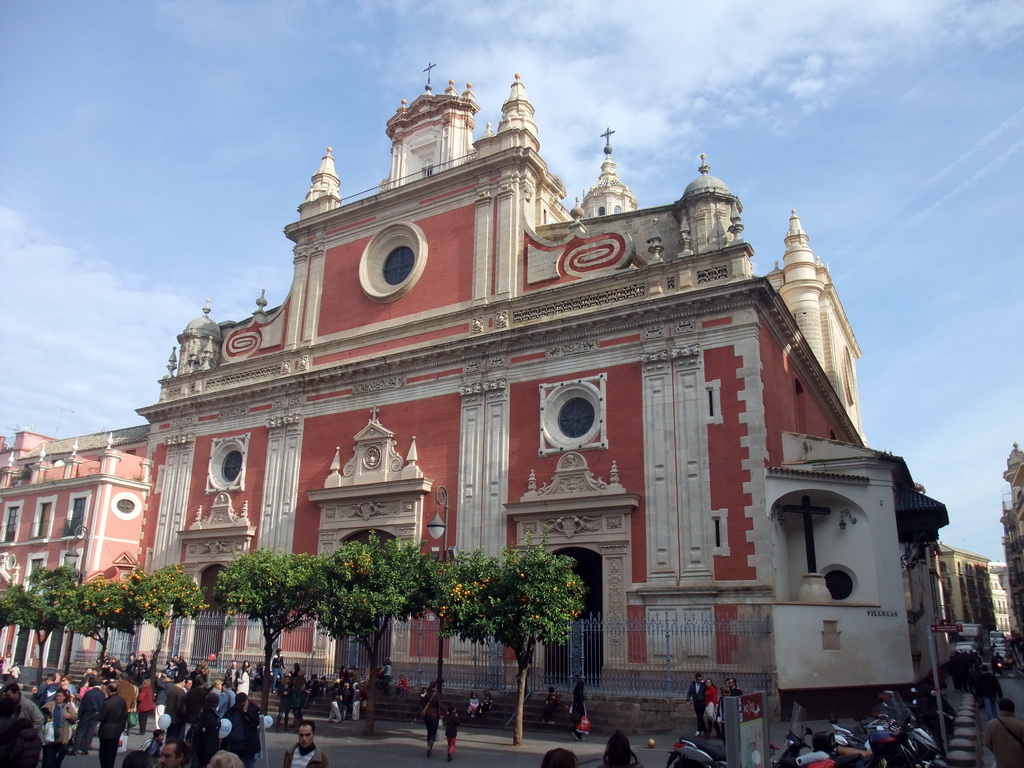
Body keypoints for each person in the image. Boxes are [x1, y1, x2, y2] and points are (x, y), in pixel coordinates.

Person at [41, 688, 77, 768]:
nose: (58, 698)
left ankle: (57, 764)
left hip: (63, 734)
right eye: (57, 696)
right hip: (51, 733)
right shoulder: (50, 704)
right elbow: (42, 711)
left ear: (64, 697)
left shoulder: (68, 706)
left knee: (63, 750)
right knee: (49, 755)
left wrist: (70, 716)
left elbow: (75, 716)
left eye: (60, 696)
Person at [223, 693, 262, 768]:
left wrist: (247, 712)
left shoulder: (254, 709)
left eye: (244, 705)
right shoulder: (231, 712)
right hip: (234, 747)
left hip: (249, 747)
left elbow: (257, 722)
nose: (242, 707)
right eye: (240, 706)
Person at [983, 697, 1024, 768]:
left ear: (1000, 709)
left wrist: (998, 750)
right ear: (1012, 710)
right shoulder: (1020, 725)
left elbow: (987, 742)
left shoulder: (992, 723)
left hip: (1001, 762)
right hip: (1019, 762)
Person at [68, 675, 103, 755]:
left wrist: (80, 715)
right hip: (96, 713)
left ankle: (75, 748)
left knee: (81, 730)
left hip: (87, 712)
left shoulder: (88, 693)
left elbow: (83, 705)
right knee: (90, 731)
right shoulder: (102, 694)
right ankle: (85, 749)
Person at [97, 682, 129, 768]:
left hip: (107, 730)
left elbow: (101, 716)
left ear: (108, 690)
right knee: (112, 752)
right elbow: (125, 715)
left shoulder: (108, 702)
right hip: (117, 729)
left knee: (104, 753)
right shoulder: (121, 700)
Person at [190, 691, 223, 768]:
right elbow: (210, 740)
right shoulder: (212, 718)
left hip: (199, 751)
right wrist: (208, 759)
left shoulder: (202, 714)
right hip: (205, 755)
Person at [416, 681, 443, 756]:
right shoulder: (437, 694)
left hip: (427, 715)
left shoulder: (427, 694)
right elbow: (440, 704)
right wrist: (446, 711)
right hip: (434, 715)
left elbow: (422, 706)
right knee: (433, 732)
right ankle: (430, 745)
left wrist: (417, 716)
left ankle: (428, 746)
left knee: (429, 731)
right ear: (436, 687)